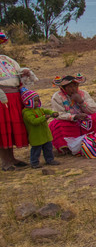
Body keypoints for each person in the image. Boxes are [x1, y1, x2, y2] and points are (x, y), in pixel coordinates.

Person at [0, 31, 39, 171]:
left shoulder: (7, 60)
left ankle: (12, 158)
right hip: (1, 99)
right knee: (3, 129)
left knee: (11, 128)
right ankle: (5, 161)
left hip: (14, 98)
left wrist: (24, 73)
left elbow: (17, 74)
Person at [49, 74, 96, 154]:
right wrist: (75, 116)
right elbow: (58, 114)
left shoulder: (83, 94)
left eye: (75, 86)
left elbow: (94, 109)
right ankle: (67, 147)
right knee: (56, 124)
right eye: (70, 87)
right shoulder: (57, 97)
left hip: (85, 121)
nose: (73, 89)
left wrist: (81, 102)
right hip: (70, 122)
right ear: (63, 88)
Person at [20, 88, 59, 169]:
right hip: (36, 135)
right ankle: (34, 163)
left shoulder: (39, 109)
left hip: (45, 134)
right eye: (35, 101)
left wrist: (53, 113)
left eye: (37, 100)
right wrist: (44, 118)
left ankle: (50, 160)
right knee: (36, 150)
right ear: (28, 101)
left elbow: (47, 111)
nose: (37, 102)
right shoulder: (27, 113)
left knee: (48, 148)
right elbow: (34, 121)